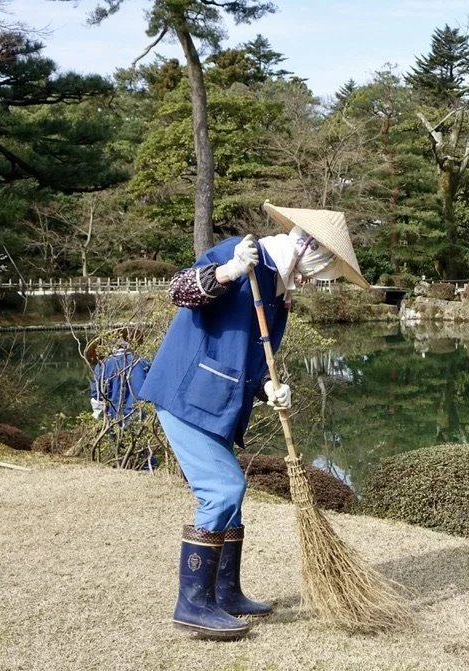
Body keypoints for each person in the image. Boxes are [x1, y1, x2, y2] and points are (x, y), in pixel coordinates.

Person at [139, 201, 370, 639]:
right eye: (316, 272)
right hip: (187, 394)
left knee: (230, 496)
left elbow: (249, 355)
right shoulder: (243, 255)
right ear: (307, 248)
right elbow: (178, 291)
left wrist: (268, 387)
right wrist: (226, 271)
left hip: (219, 403)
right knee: (223, 489)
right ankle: (192, 605)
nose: (308, 282)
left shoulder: (277, 289)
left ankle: (225, 593)